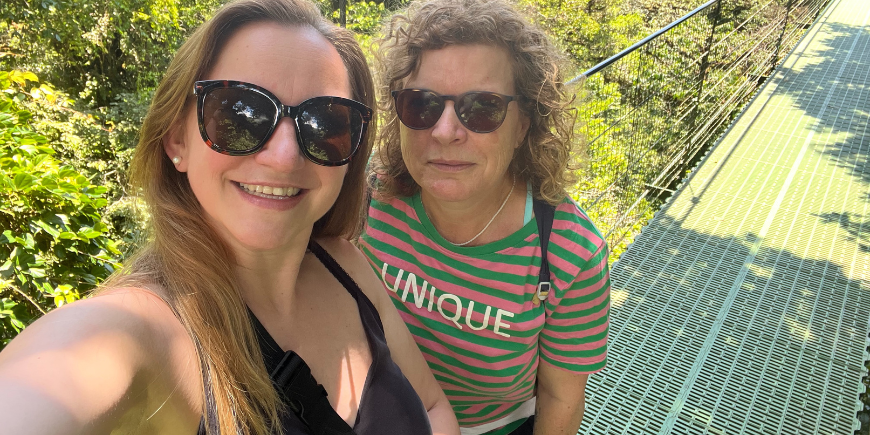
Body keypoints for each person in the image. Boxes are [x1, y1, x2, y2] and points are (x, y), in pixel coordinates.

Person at [0, 0, 460, 434]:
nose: (283, 157)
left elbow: (434, 406)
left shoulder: (347, 268)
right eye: (240, 113)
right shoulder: (138, 332)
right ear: (177, 139)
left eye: (325, 124)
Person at [359, 0, 610, 434]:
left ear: (523, 127)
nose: (445, 131)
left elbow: (560, 396)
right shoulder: (366, 201)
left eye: (482, 108)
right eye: (422, 104)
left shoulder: (570, 254)